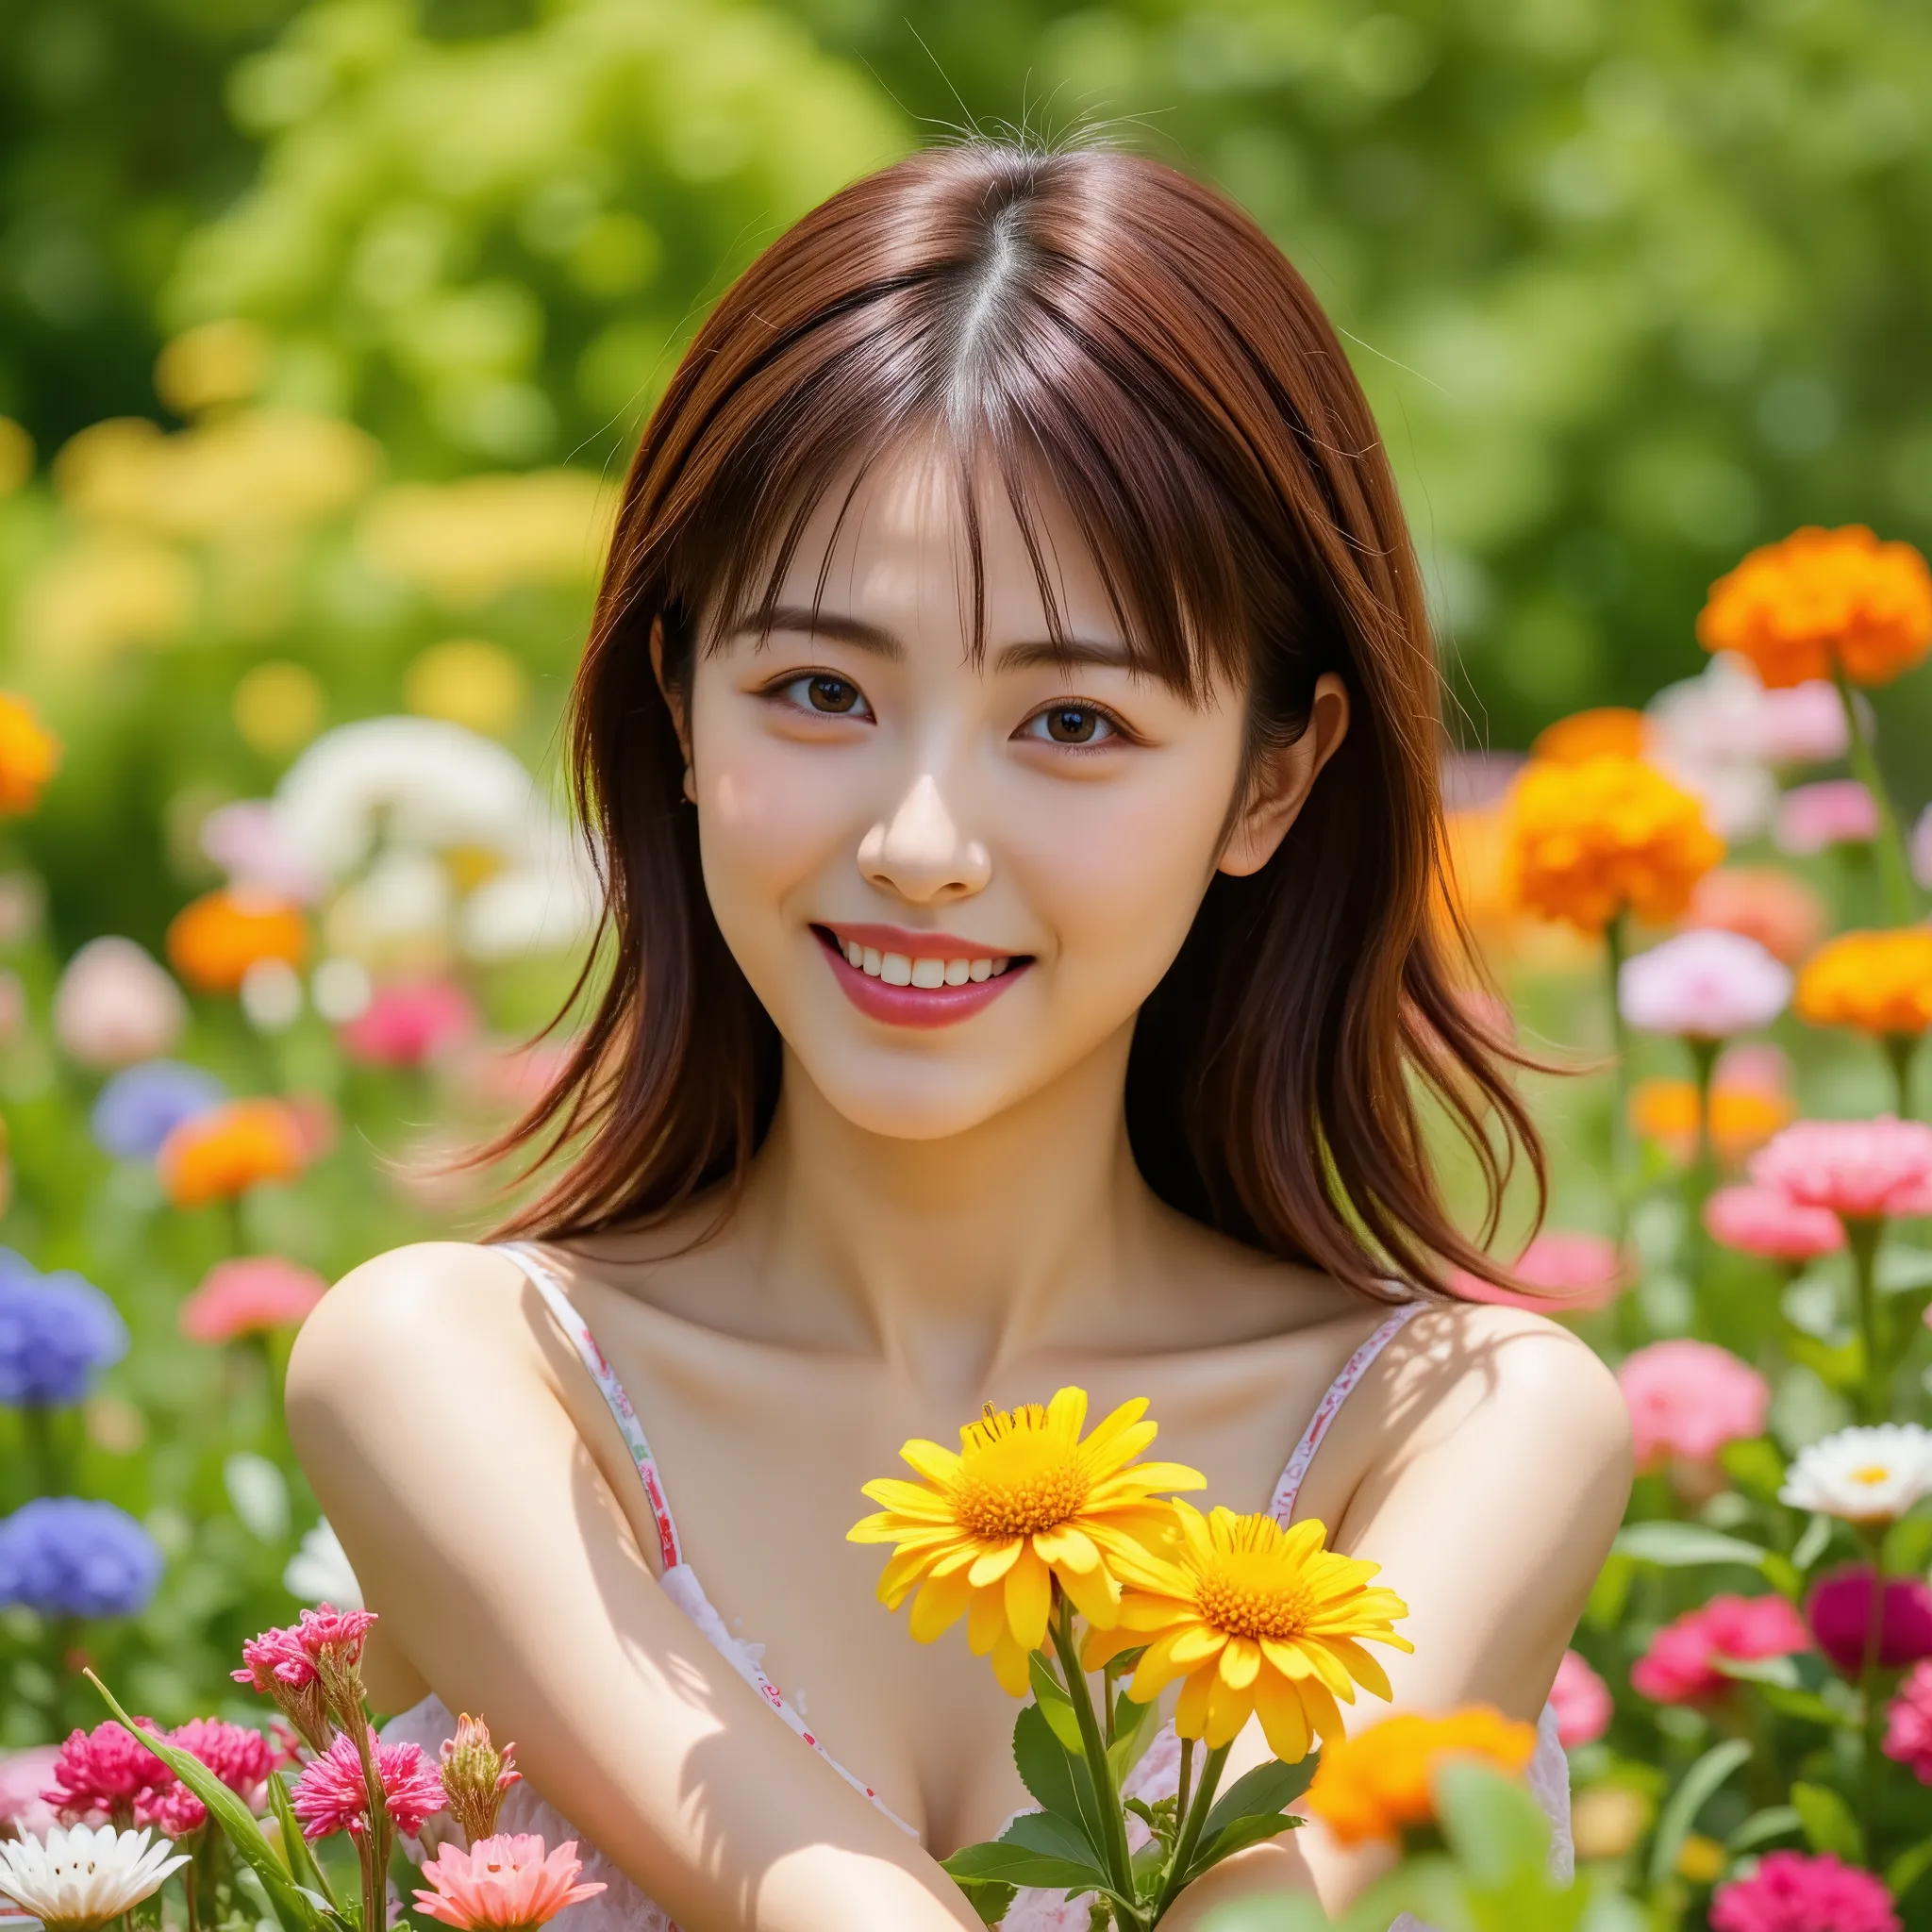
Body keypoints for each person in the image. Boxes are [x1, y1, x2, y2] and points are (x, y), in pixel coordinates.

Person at [287, 139, 1631, 1932]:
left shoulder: (1462, 1434)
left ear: (1275, 778)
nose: (921, 845)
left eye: (1072, 720)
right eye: (820, 691)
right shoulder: (455, 1376)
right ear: (678, 703)